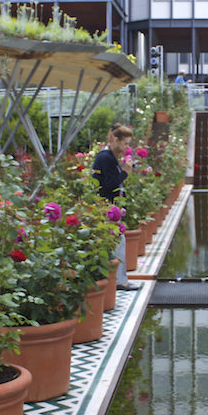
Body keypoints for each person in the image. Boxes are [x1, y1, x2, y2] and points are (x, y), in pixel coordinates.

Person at [92, 123, 141, 291]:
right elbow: (108, 185)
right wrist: (125, 172)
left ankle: (119, 280)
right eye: (125, 143)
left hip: (110, 209)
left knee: (117, 243)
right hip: (106, 210)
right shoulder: (105, 158)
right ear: (115, 139)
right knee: (117, 243)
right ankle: (120, 282)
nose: (126, 147)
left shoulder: (109, 157)